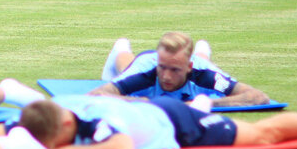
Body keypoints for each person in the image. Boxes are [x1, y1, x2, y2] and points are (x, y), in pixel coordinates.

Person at [14, 95, 297, 149]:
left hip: (178, 124)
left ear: (64, 124)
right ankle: (199, 107)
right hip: (153, 114)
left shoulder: (97, 124)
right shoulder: (54, 115)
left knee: (260, 135)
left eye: (52, 139)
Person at [91, 32, 269, 110]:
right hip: (142, 62)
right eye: (163, 68)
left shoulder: (204, 75)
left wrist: (201, 104)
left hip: (199, 65)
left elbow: (258, 97)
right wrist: (145, 102)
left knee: (204, 63)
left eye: (175, 70)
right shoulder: (147, 72)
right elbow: (97, 95)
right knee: (126, 67)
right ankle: (121, 48)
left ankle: (202, 52)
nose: (166, 76)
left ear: (188, 69)